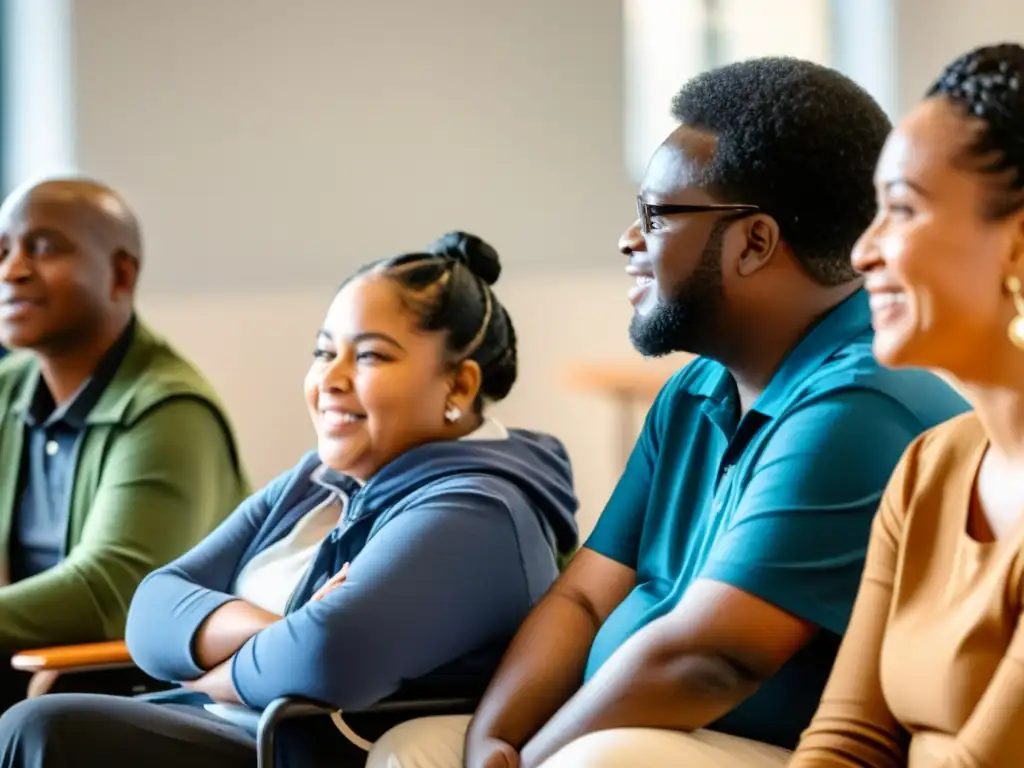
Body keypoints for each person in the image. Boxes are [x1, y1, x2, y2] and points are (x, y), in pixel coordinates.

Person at [365, 58, 971, 768]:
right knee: (416, 750)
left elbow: (707, 661)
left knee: (599, 763)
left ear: (755, 242)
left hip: (784, 751)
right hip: (650, 733)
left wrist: (534, 761)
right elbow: (585, 599)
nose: (629, 238)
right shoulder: (695, 391)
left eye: (655, 215)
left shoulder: (858, 401)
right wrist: (493, 739)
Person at [0, 231, 580, 768]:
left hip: (287, 746)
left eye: (371, 356)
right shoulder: (319, 476)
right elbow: (152, 607)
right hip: (220, 720)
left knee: (43, 729)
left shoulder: (477, 510)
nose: (331, 378)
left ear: (458, 386)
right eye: (325, 352)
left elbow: (327, 653)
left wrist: (225, 669)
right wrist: (281, 628)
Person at [786, 43, 1024, 768]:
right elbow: (847, 738)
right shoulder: (930, 466)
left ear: (1017, 247)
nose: (864, 251)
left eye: (902, 210)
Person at [0, 178, 247, 708]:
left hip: (125, 686)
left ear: (121, 273)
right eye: (2, 251)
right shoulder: (9, 388)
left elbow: (107, 592)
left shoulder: (169, 408)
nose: (12, 270)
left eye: (42, 248)